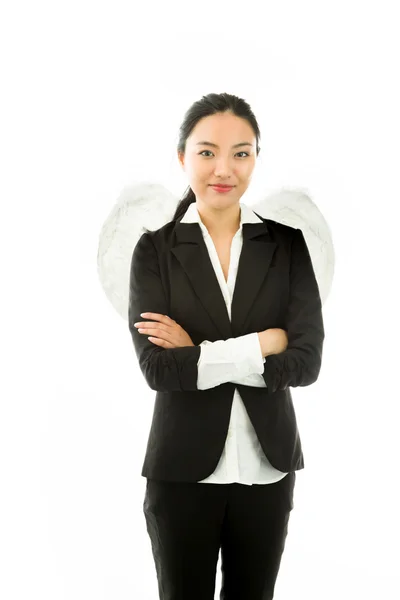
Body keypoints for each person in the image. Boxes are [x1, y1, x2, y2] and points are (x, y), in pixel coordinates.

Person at [128, 92, 325, 600]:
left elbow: (305, 363)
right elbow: (158, 370)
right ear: (183, 157)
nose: (224, 168)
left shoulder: (286, 245)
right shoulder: (156, 249)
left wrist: (197, 351)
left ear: (256, 158)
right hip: (181, 473)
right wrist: (262, 343)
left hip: (268, 467)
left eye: (241, 152)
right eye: (207, 151)